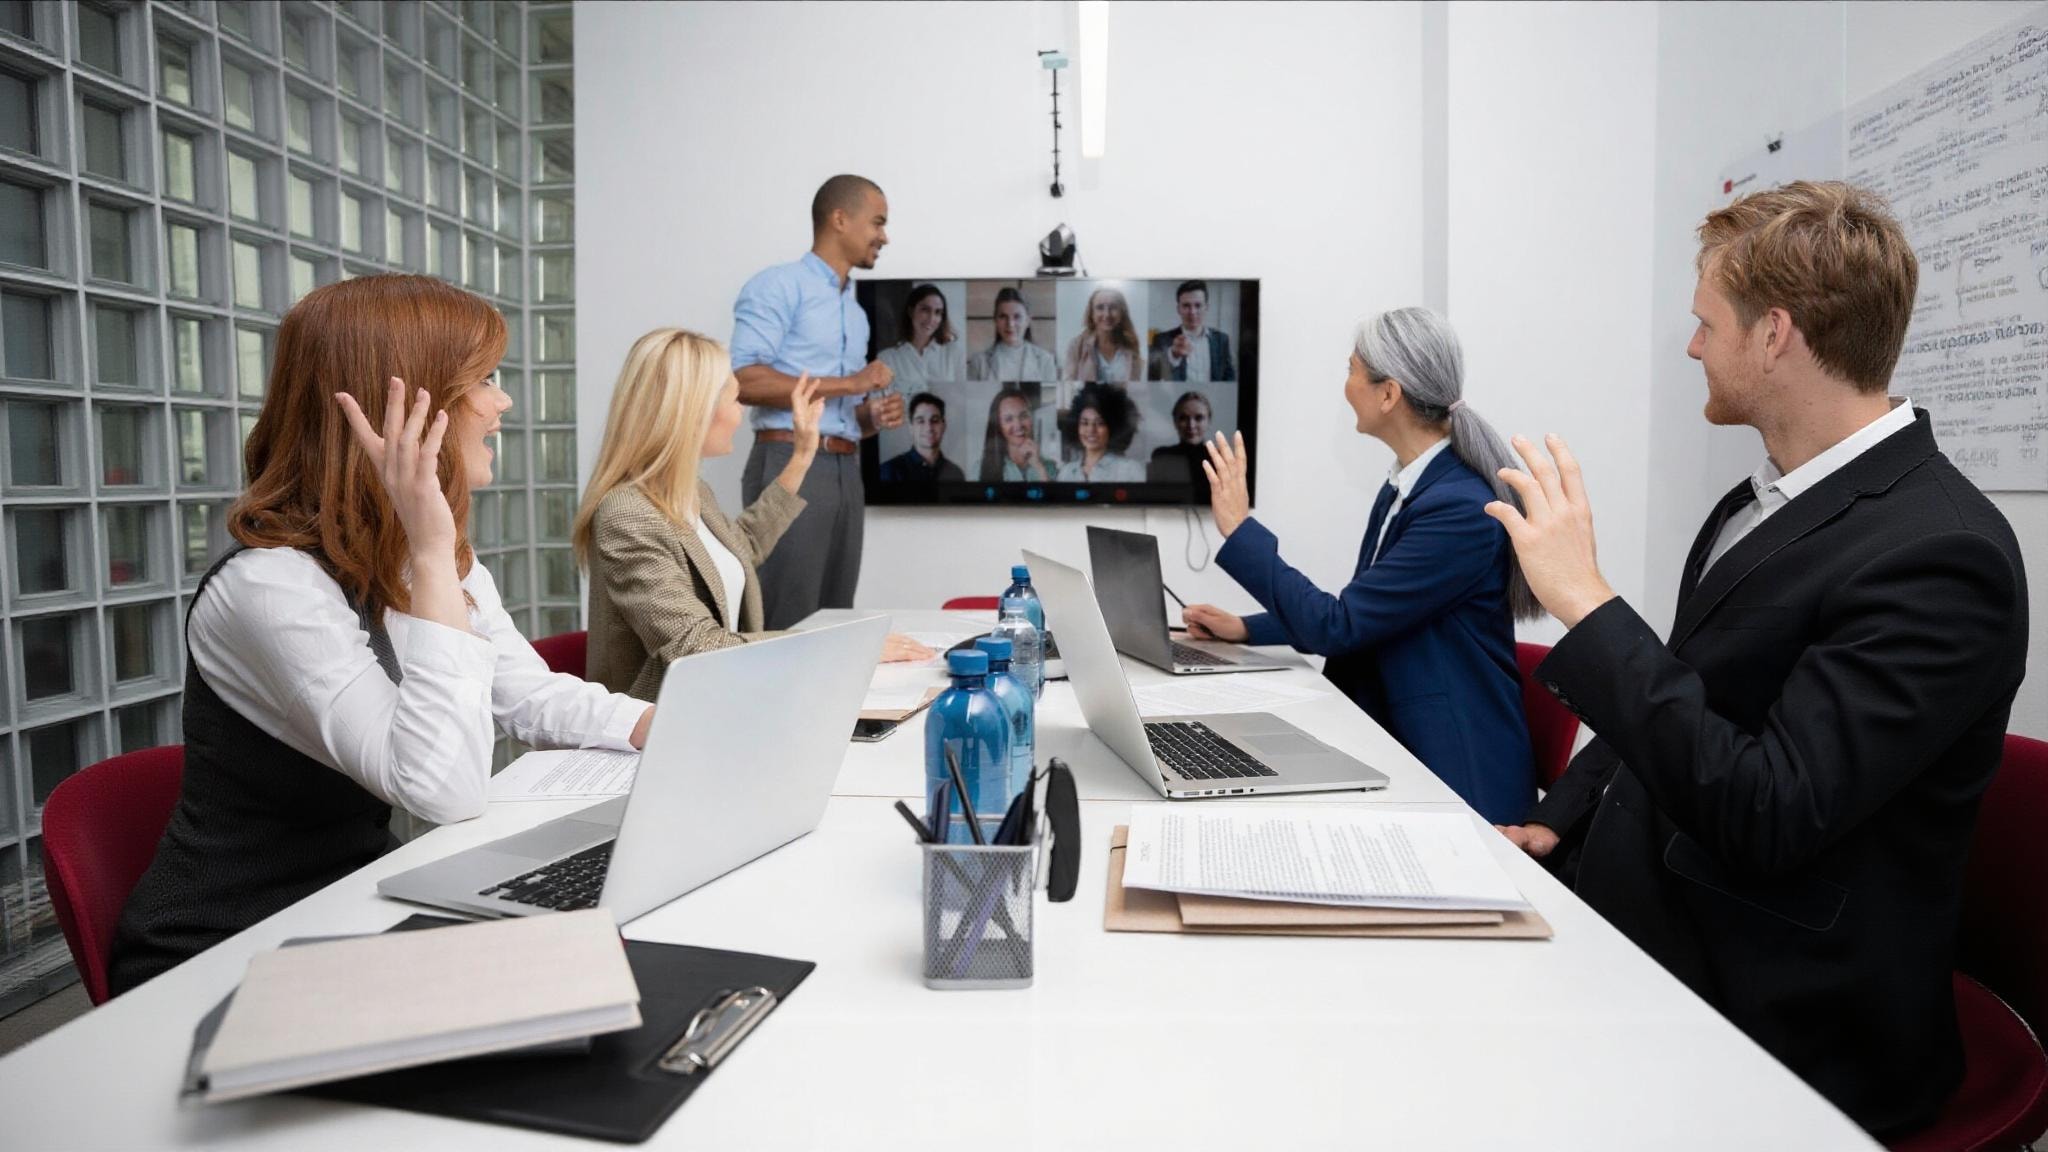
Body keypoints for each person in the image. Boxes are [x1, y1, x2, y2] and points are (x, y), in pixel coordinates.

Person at [1488, 182, 2027, 1139]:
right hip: (1662, 912)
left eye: (1706, 323)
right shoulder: (1764, 501)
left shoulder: (1943, 555)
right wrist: (1561, 819)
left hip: (1787, 1011)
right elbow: (1690, 689)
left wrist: (1584, 600)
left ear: (1774, 335)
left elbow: (1770, 812)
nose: (1693, 346)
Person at [107, 276, 656, 995]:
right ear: (403, 407)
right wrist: (431, 551)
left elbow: (527, 696)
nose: (503, 402)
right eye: (483, 379)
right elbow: (443, 792)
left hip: (355, 905)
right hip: (225, 952)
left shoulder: (424, 557)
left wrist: (671, 726)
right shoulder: (271, 588)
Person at [1181, 307, 1538, 824]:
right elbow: (1365, 615)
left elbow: (1340, 626)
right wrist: (1244, 628)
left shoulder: (1458, 509)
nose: (1345, 384)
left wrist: (1240, 531)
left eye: (1351, 369)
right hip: (1395, 739)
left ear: (1388, 393)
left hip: (1458, 777)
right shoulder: (1409, 487)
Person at [579, 329, 930, 701]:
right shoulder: (627, 515)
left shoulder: (692, 492)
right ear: (694, 413)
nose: (741, 412)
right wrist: (848, 646)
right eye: (734, 400)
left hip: (720, 704)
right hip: (660, 732)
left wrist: (801, 456)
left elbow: (740, 546)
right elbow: (695, 646)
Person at [732, 174, 906, 629]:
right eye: (878, 223)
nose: (884, 236)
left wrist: (869, 416)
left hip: (846, 469)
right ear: (840, 219)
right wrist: (851, 384)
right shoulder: (778, 286)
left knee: (832, 620)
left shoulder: (855, 309)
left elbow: (838, 413)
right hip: (789, 462)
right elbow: (743, 379)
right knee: (786, 618)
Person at [1147, 280, 1236, 382]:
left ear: (1206, 307)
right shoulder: (1161, 339)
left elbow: (1230, 380)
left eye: (1198, 305)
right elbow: (1152, 377)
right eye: (1186, 306)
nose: (1192, 312)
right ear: (1178, 309)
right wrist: (1173, 355)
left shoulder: (1222, 340)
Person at [1054, 384, 1146, 483]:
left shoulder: (1130, 470)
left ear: (1113, 428)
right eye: (1084, 423)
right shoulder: (1066, 472)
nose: (1091, 430)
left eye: (1100, 423)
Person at [877, 283, 966, 385]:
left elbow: (962, 398)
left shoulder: (953, 354)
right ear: (911, 312)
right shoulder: (887, 358)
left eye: (937, 312)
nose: (931, 319)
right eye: (925, 310)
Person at [966, 287, 1060, 383]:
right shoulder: (979, 362)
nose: (1010, 324)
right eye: (1003, 316)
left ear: (1027, 320)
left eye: (1017, 317)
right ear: (995, 320)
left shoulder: (1045, 361)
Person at [878, 392, 965, 485]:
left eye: (935, 420)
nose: (929, 428)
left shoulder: (956, 473)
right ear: (911, 427)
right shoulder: (889, 471)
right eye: (920, 421)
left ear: (943, 426)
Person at [1145, 390, 1216, 499]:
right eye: (1183, 418)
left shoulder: (1219, 458)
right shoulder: (1162, 456)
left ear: (1208, 421)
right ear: (1175, 422)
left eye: (1198, 418)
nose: (1191, 425)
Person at [1062, 286, 1141, 383]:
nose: (1107, 314)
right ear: (1091, 313)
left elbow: (1136, 387)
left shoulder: (1131, 345)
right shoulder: (1076, 345)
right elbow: (1067, 385)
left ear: (1122, 313)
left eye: (1113, 307)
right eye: (1100, 308)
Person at [979, 387, 1051, 482]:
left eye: (1024, 416)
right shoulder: (980, 468)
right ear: (998, 425)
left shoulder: (1049, 466)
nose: (1018, 425)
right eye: (1008, 419)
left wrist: (1039, 467)